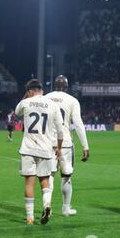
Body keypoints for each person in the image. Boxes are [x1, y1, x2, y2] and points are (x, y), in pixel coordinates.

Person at [15, 79, 64, 225]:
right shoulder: (53, 105)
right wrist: (59, 148)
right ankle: (47, 205)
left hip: (28, 148)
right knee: (45, 181)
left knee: (29, 182)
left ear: (29, 91)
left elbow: (17, 112)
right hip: (46, 148)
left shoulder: (25, 102)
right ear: (41, 90)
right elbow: (60, 131)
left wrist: (26, 97)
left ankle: (30, 217)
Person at [45, 75, 90, 216]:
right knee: (66, 176)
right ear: (66, 87)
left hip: (48, 143)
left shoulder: (45, 98)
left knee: (49, 176)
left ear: (54, 85)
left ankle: (47, 206)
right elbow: (78, 124)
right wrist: (85, 146)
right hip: (64, 144)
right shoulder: (72, 100)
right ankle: (66, 209)